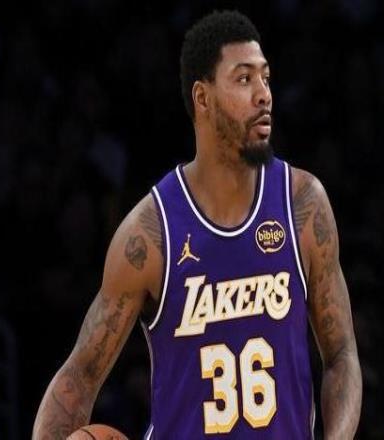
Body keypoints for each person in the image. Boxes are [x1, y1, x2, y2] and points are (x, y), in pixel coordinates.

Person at [33, 10, 362, 439]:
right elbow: (78, 377)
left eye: (265, 78)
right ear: (202, 98)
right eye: (244, 79)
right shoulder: (151, 233)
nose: (263, 94)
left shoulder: (302, 203)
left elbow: (341, 355)